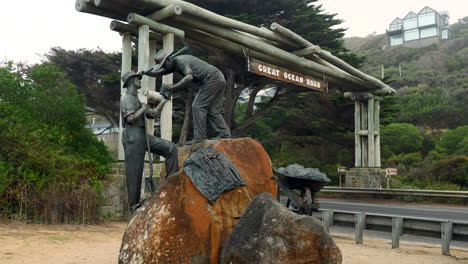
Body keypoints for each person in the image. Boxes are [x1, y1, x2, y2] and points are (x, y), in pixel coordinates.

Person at [139, 43, 231, 145]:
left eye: (164, 65)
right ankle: (225, 134)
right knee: (213, 111)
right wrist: (145, 73)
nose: (164, 67)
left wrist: (173, 87)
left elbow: (189, 78)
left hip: (212, 79)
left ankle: (200, 137)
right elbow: (159, 73)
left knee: (197, 106)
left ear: (168, 60)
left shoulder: (181, 61)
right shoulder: (172, 65)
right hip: (219, 78)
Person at [120, 71, 178, 213]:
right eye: (137, 79)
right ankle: (134, 205)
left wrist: (164, 99)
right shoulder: (126, 98)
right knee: (135, 171)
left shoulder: (137, 98)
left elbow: (153, 114)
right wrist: (143, 108)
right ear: (131, 81)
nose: (140, 81)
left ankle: (171, 184)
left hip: (142, 135)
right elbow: (130, 119)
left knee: (171, 148)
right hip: (132, 137)